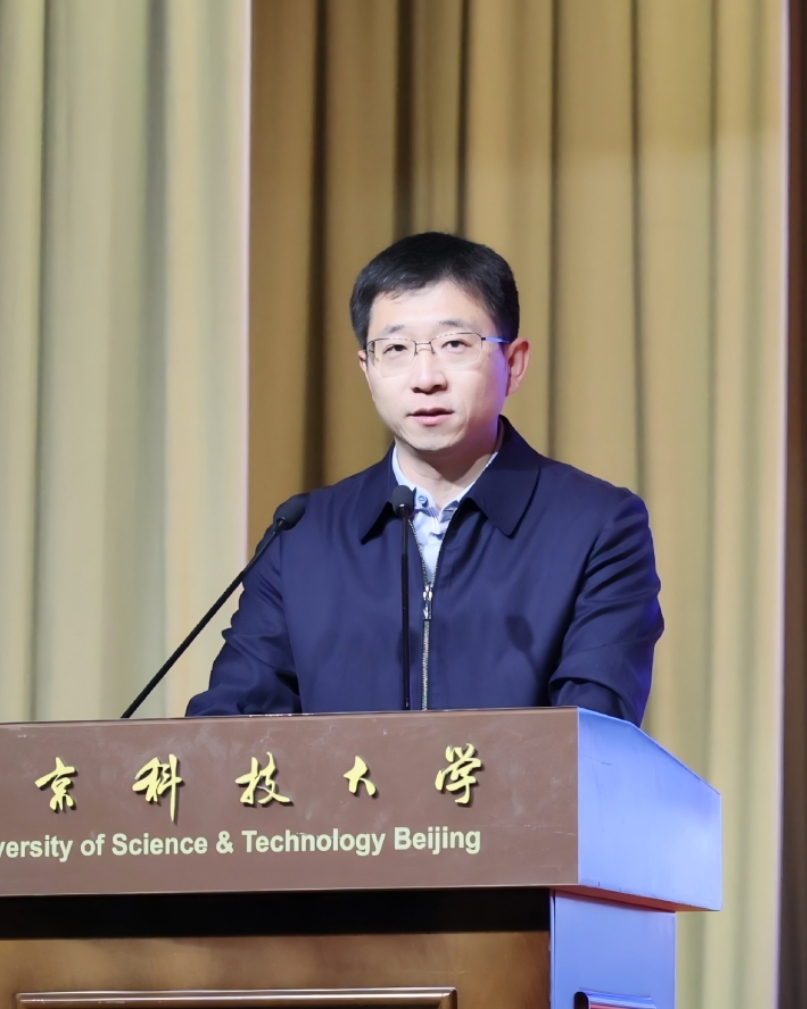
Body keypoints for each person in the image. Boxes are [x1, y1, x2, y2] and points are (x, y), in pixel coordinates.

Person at [186, 232, 662, 722]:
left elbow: (590, 734)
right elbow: (228, 726)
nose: (425, 377)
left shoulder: (597, 526)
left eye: (454, 344)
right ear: (367, 370)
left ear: (514, 363)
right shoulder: (302, 536)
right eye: (395, 349)